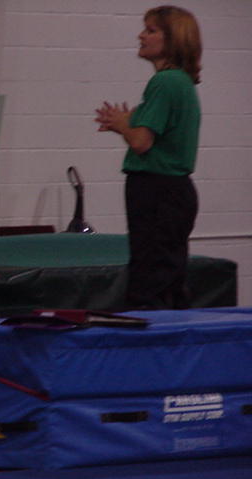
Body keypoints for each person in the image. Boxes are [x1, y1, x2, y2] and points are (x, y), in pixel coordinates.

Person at [94, 6, 202, 309]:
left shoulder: (165, 82)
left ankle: (153, 333)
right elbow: (155, 138)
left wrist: (123, 125)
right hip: (171, 190)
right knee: (167, 278)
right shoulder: (180, 82)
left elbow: (141, 142)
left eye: (151, 30)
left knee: (149, 281)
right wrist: (126, 124)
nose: (141, 36)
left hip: (158, 190)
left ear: (173, 39)